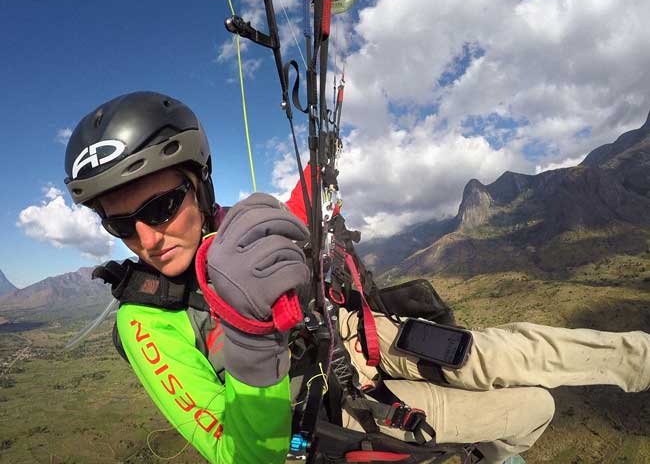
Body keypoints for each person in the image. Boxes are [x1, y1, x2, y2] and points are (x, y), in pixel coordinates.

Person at [64, 91, 650, 464]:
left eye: (161, 208)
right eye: (121, 225)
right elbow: (237, 453)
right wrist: (251, 349)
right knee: (533, 408)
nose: (147, 238)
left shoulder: (238, 232)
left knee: (511, 351)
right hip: (332, 407)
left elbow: (297, 219)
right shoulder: (148, 320)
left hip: (357, 335)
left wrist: (319, 174)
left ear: (200, 184)